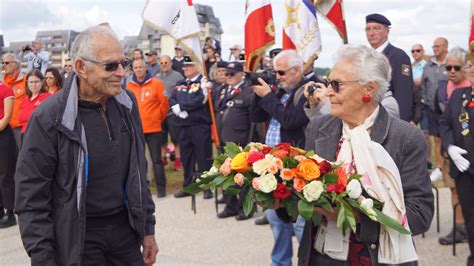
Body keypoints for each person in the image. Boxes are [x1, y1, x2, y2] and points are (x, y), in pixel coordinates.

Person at [14, 25, 158, 265]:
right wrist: (43, 258)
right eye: (110, 65)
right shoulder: (50, 117)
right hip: (78, 238)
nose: (121, 72)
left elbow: (138, 170)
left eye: (123, 63)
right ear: (81, 67)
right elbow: (31, 195)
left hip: (125, 233)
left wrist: (147, 228)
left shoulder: (127, 103)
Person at [300, 45, 434, 265]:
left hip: (376, 258)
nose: (328, 91)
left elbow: (420, 213)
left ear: (369, 89)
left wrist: (353, 216)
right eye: (327, 82)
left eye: (336, 84)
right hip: (322, 257)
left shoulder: (405, 137)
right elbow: (304, 191)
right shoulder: (319, 128)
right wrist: (279, 194)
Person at [251, 49, 310, 266]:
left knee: (302, 224)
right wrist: (257, 94)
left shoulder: (307, 90)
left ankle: (307, 261)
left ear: (296, 70)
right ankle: (280, 263)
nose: (278, 77)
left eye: (282, 72)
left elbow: (291, 121)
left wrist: (267, 96)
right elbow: (256, 117)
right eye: (275, 72)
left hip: (296, 167)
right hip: (273, 167)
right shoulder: (280, 91)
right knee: (277, 222)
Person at [439, 51, 474, 266]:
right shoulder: (459, 96)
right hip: (465, 169)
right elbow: (445, 123)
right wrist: (450, 146)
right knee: (470, 217)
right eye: (471, 66)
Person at [169, 56, 213, 199]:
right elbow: (173, 97)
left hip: (199, 125)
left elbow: (199, 100)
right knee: (186, 158)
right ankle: (188, 186)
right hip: (183, 126)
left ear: (197, 67)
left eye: (188, 66)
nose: (185, 68)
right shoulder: (180, 83)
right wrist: (175, 106)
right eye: (184, 66)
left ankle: (206, 187)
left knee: (203, 157)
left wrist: (181, 107)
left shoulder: (203, 83)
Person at [215, 61, 253, 220]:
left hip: (240, 140)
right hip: (223, 139)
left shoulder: (247, 91)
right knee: (226, 173)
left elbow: (253, 120)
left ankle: (245, 207)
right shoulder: (223, 90)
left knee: (242, 176)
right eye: (226, 73)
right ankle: (230, 205)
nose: (228, 76)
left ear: (241, 74)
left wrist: (251, 141)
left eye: (232, 74)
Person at [126, 58, 169, 197]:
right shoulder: (129, 86)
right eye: (136, 67)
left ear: (146, 68)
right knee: (139, 160)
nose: (138, 70)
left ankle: (161, 188)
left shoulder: (156, 84)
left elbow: (164, 105)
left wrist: (156, 118)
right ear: (133, 69)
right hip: (136, 129)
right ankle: (143, 189)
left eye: (140, 67)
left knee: (156, 159)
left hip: (154, 128)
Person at [365, 13, 414, 122]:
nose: (371, 33)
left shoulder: (399, 57)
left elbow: (403, 94)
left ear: (387, 31)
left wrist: (401, 124)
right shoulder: (366, 57)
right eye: (368, 29)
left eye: (376, 28)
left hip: (390, 118)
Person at [421, 37, 449, 180]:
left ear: (445, 47)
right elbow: (423, 85)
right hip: (432, 109)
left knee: (449, 138)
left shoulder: (451, 64)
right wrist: (426, 101)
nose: (435, 49)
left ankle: (448, 166)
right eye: (433, 47)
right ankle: (438, 167)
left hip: (449, 110)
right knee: (436, 139)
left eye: (437, 46)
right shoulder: (429, 65)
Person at [156, 55, 184, 170]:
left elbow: (182, 92)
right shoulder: (157, 77)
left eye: (166, 63)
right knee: (162, 138)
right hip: (161, 113)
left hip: (173, 112)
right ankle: (163, 158)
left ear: (171, 63)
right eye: (161, 63)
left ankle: (178, 158)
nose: (164, 65)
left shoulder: (177, 76)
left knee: (175, 138)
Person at [1, 53, 26, 148]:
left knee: (20, 155)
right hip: (4, 127)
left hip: (19, 128)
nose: (3, 65)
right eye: (2, 62)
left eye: (6, 63)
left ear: (16, 64)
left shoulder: (26, 81)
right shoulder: (2, 82)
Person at [0, 81, 16, 228]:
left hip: (3, 134)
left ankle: (10, 213)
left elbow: (7, 116)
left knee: (5, 175)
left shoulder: (6, 89)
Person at [18, 70, 51, 136]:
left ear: (42, 82)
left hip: (40, 135)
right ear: (27, 83)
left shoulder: (47, 97)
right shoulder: (25, 99)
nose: (33, 85)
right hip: (24, 134)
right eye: (31, 82)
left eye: (36, 82)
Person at [411, 44, 426, 126]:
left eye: (418, 50)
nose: (415, 53)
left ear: (423, 52)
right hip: (412, 102)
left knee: (425, 132)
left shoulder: (426, 66)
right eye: (413, 51)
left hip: (423, 104)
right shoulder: (409, 66)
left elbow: (419, 81)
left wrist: (408, 82)